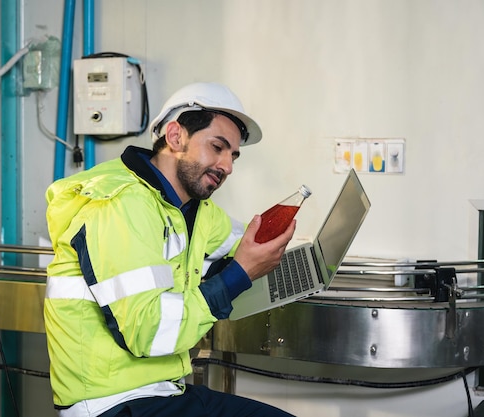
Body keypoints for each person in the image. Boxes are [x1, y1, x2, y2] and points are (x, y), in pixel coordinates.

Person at [44, 82, 296, 417]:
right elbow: (148, 333)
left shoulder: (192, 208)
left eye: (233, 155)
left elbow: (246, 243)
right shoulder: (120, 204)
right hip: (112, 403)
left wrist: (292, 247)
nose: (228, 166)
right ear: (176, 137)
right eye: (218, 147)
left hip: (162, 390)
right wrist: (239, 274)